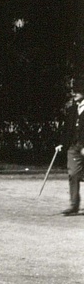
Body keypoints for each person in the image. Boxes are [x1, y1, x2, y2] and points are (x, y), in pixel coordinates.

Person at [58, 87, 84, 216]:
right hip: (74, 148)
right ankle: (74, 205)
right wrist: (62, 143)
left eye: (77, 91)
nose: (74, 94)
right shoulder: (72, 110)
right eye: (74, 92)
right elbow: (67, 129)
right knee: (73, 174)